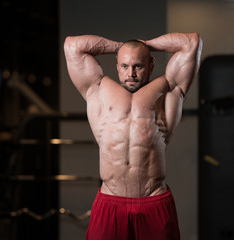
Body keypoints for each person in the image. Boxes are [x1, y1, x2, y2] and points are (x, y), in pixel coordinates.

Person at [64, 32, 202, 240]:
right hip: (110, 203)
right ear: (117, 66)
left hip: (153, 202)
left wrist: (144, 45)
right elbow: (72, 46)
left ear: (151, 65)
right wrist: (122, 46)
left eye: (138, 65)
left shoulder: (168, 89)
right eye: (125, 66)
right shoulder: (98, 89)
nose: (131, 73)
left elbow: (191, 42)